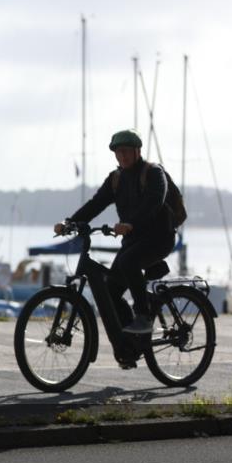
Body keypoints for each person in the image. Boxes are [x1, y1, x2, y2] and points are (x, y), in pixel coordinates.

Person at [54, 130, 176, 362]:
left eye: (127, 151)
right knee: (110, 291)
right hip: (133, 241)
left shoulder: (153, 173)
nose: (122, 156)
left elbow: (154, 202)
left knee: (129, 262)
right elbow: (96, 204)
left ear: (137, 151)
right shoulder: (116, 179)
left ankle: (144, 318)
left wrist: (131, 223)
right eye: (118, 152)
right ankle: (132, 344)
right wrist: (69, 222)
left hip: (159, 238)